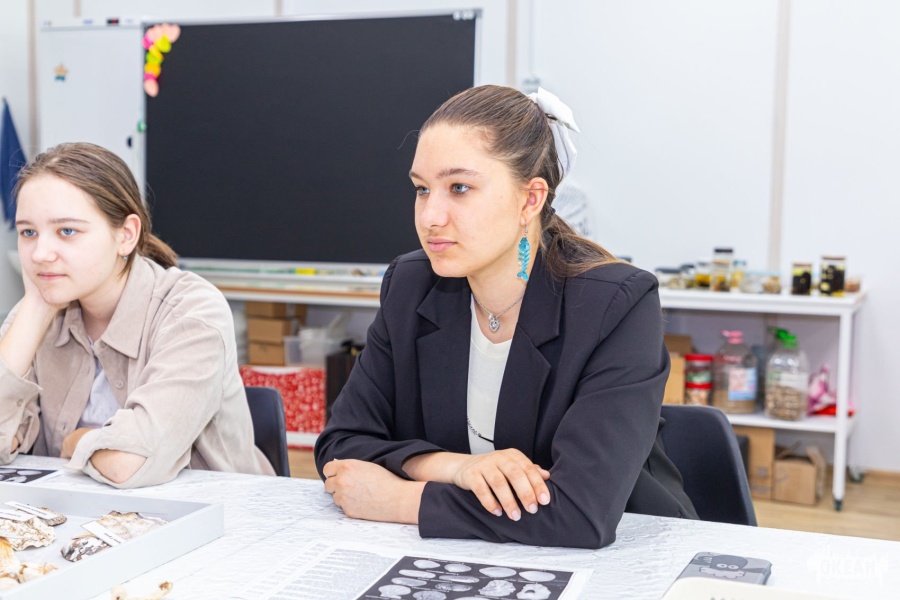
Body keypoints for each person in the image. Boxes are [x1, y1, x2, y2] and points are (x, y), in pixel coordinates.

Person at [315, 85, 696, 549]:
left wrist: (402, 500)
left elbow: (579, 513)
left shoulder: (615, 304)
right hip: (470, 555)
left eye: (459, 188)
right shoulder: (410, 285)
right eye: (422, 189)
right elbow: (342, 446)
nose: (430, 216)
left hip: (628, 556)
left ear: (530, 200)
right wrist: (457, 468)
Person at [0, 142, 274, 488]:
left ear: (126, 235)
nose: (40, 254)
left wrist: (75, 441)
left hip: (212, 512)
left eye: (67, 231)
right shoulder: (35, 313)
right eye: (28, 232)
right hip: (79, 513)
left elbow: (128, 463)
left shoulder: (191, 311)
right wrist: (36, 308)